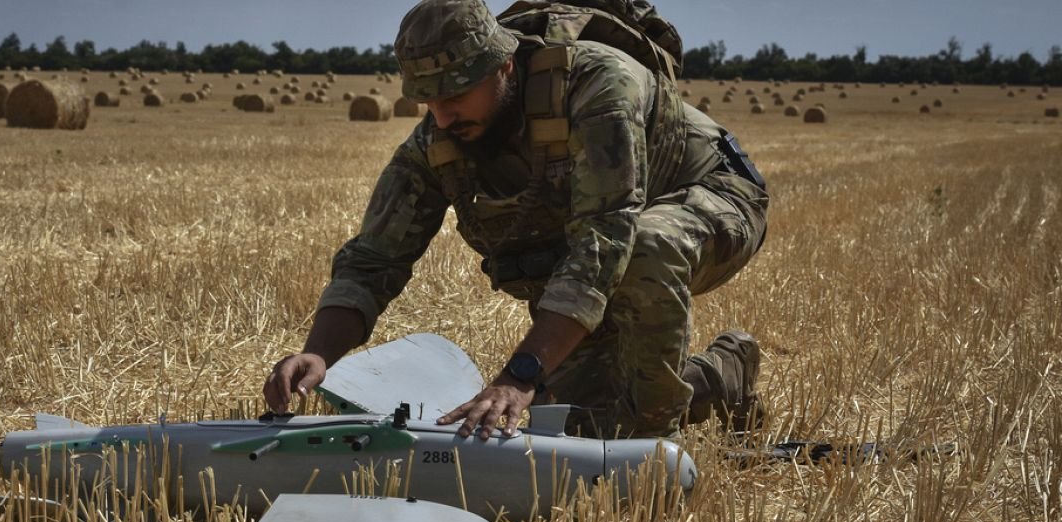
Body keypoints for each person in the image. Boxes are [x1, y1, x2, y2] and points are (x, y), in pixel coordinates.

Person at [263, 0, 768, 441]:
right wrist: (319, 355)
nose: (441, 116)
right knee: (581, 427)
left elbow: (606, 237)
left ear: (504, 65)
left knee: (644, 249)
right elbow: (374, 257)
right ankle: (722, 376)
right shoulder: (437, 141)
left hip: (711, 199)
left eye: (455, 95)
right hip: (600, 248)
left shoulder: (597, 84)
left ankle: (655, 446)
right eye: (429, 100)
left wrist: (520, 375)